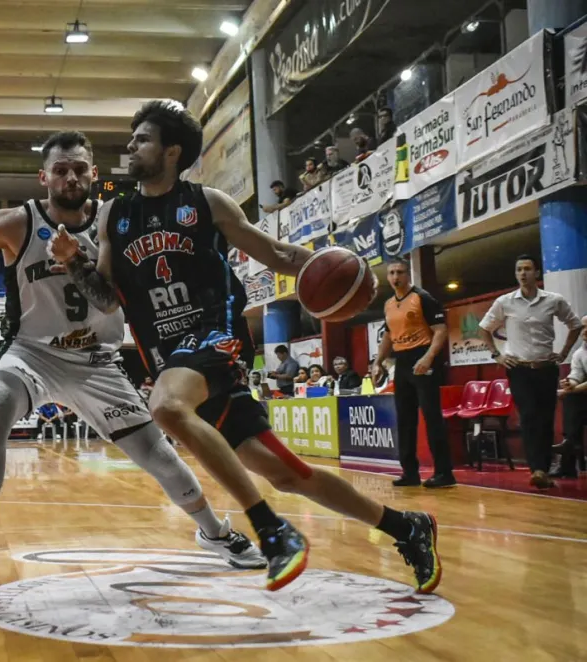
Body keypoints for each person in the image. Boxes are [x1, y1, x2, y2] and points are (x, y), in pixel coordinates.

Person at [52, 100, 440, 594]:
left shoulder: (207, 203)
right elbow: (107, 300)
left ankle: (273, 531)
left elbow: (276, 253)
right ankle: (407, 527)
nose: (130, 146)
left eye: (142, 138)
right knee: (286, 472)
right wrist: (73, 263)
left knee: (166, 407)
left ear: (172, 151)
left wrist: (344, 269)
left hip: (218, 337)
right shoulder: (114, 214)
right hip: (171, 357)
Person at [0, 130, 265, 608]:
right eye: (61, 169)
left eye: (80, 168)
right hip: (32, 353)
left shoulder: (117, 223)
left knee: (160, 457)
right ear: (44, 178)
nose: (71, 176)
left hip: (98, 361)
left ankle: (215, 533)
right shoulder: (16, 222)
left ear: (94, 175)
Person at [478, 254, 582, 489]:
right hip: (519, 369)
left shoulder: (554, 300)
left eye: (527, 269)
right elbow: (484, 328)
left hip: (546, 368)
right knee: (529, 416)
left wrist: (564, 352)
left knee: (545, 419)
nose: (523, 273)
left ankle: (543, 469)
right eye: (519, 270)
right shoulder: (505, 302)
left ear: (536, 273)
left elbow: (575, 324)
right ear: (516, 274)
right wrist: (497, 355)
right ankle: (536, 468)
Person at [372, 257, 455, 488]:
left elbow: (440, 331)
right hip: (402, 361)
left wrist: (428, 358)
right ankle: (410, 473)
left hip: (423, 358)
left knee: (432, 417)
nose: (395, 277)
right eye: (391, 273)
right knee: (405, 420)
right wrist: (378, 361)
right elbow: (388, 335)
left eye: (399, 272)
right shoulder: (389, 304)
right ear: (387, 277)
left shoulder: (423, 298)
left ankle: (444, 473)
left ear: (407, 274)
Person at [553, 316, 587, 478]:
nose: (584, 331)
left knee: (570, 396)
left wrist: (571, 390)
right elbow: (577, 374)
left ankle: (568, 449)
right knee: (571, 399)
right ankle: (569, 449)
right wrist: (570, 383)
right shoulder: (580, 353)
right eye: (583, 327)